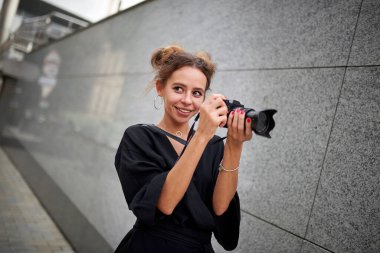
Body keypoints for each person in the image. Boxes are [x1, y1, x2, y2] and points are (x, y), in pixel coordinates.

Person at [114, 45, 253, 253]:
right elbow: (165, 203)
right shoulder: (138, 137)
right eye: (178, 88)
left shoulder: (214, 145)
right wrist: (202, 135)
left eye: (197, 93)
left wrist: (234, 145)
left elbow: (221, 208)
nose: (187, 101)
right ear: (160, 88)